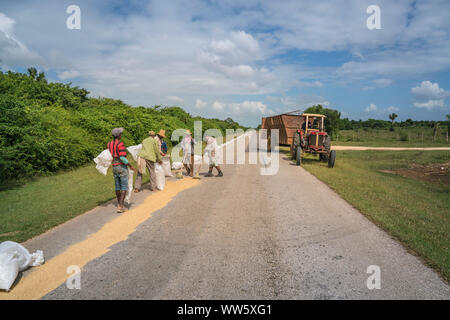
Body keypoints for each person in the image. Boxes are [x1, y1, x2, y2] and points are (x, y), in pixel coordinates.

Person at [108, 128, 136, 213]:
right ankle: (120, 206)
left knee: (117, 186)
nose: (121, 135)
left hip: (114, 166)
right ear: (119, 135)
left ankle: (119, 203)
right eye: (121, 134)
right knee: (124, 187)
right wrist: (130, 165)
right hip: (121, 166)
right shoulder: (120, 144)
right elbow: (122, 158)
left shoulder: (109, 144)